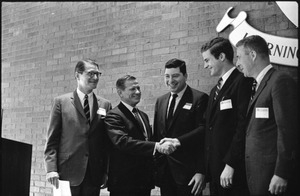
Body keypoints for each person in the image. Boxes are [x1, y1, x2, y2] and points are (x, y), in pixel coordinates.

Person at [236, 35, 298, 196]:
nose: (237, 64)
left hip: (273, 176)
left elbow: (288, 131)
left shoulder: (279, 81)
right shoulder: (258, 85)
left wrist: (281, 173)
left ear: (253, 55)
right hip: (259, 175)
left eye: (239, 57)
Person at [44, 59, 112, 196]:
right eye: (91, 73)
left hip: (94, 174)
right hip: (66, 172)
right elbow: (52, 140)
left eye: (98, 74)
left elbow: (106, 143)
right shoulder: (61, 102)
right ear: (77, 75)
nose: (96, 78)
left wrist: (106, 171)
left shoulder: (105, 104)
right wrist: (51, 169)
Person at [104, 75, 173, 196]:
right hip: (124, 183)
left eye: (139, 88)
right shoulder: (113, 115)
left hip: (144, 181)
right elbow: (122, 141)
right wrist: (156, 146)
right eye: (132, 89)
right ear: (120, 93)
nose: (138, 92)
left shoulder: (143, 116)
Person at [200, 37, 252, 196]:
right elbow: (208, 129)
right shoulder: (214, 90)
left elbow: (243, 127)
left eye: (207, 60)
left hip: (232, 171)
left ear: (221, 57)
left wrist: (231, 164)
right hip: (216, 172)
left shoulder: (242, 81)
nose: (205, 65)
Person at [153, 58, 209, 196]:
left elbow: (204, 134)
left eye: (175, 76)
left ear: (185, 76)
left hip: (190, 175)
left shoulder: (199, 98)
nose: (170, 80)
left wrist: (201, 171)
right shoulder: (160, 101)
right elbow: (157, 135)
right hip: (165, 173)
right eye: (167, 76)